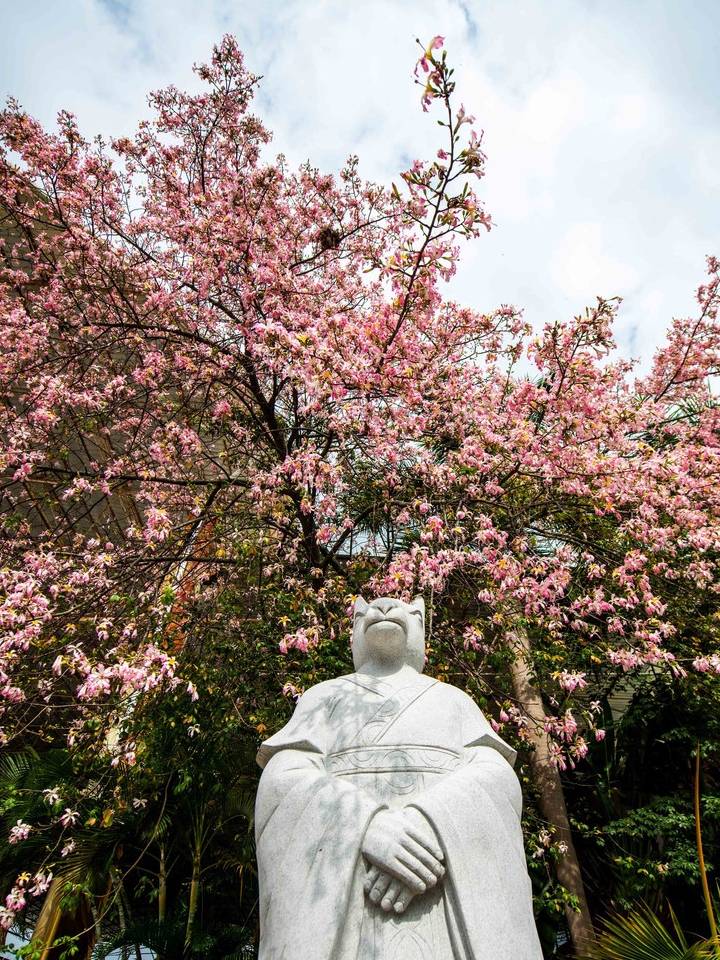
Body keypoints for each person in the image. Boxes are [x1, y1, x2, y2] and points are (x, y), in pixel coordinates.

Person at [255, 596, 543, 959]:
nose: (385, 609)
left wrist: (431, 824)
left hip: (441, 889)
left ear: (421, 628)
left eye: (404, 609)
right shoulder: (324, 696)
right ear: (355, 632)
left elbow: (495, 776)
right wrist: (366, 826)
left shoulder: (453, 700)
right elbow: (284, 779)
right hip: (353, 897)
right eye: (366, 611)